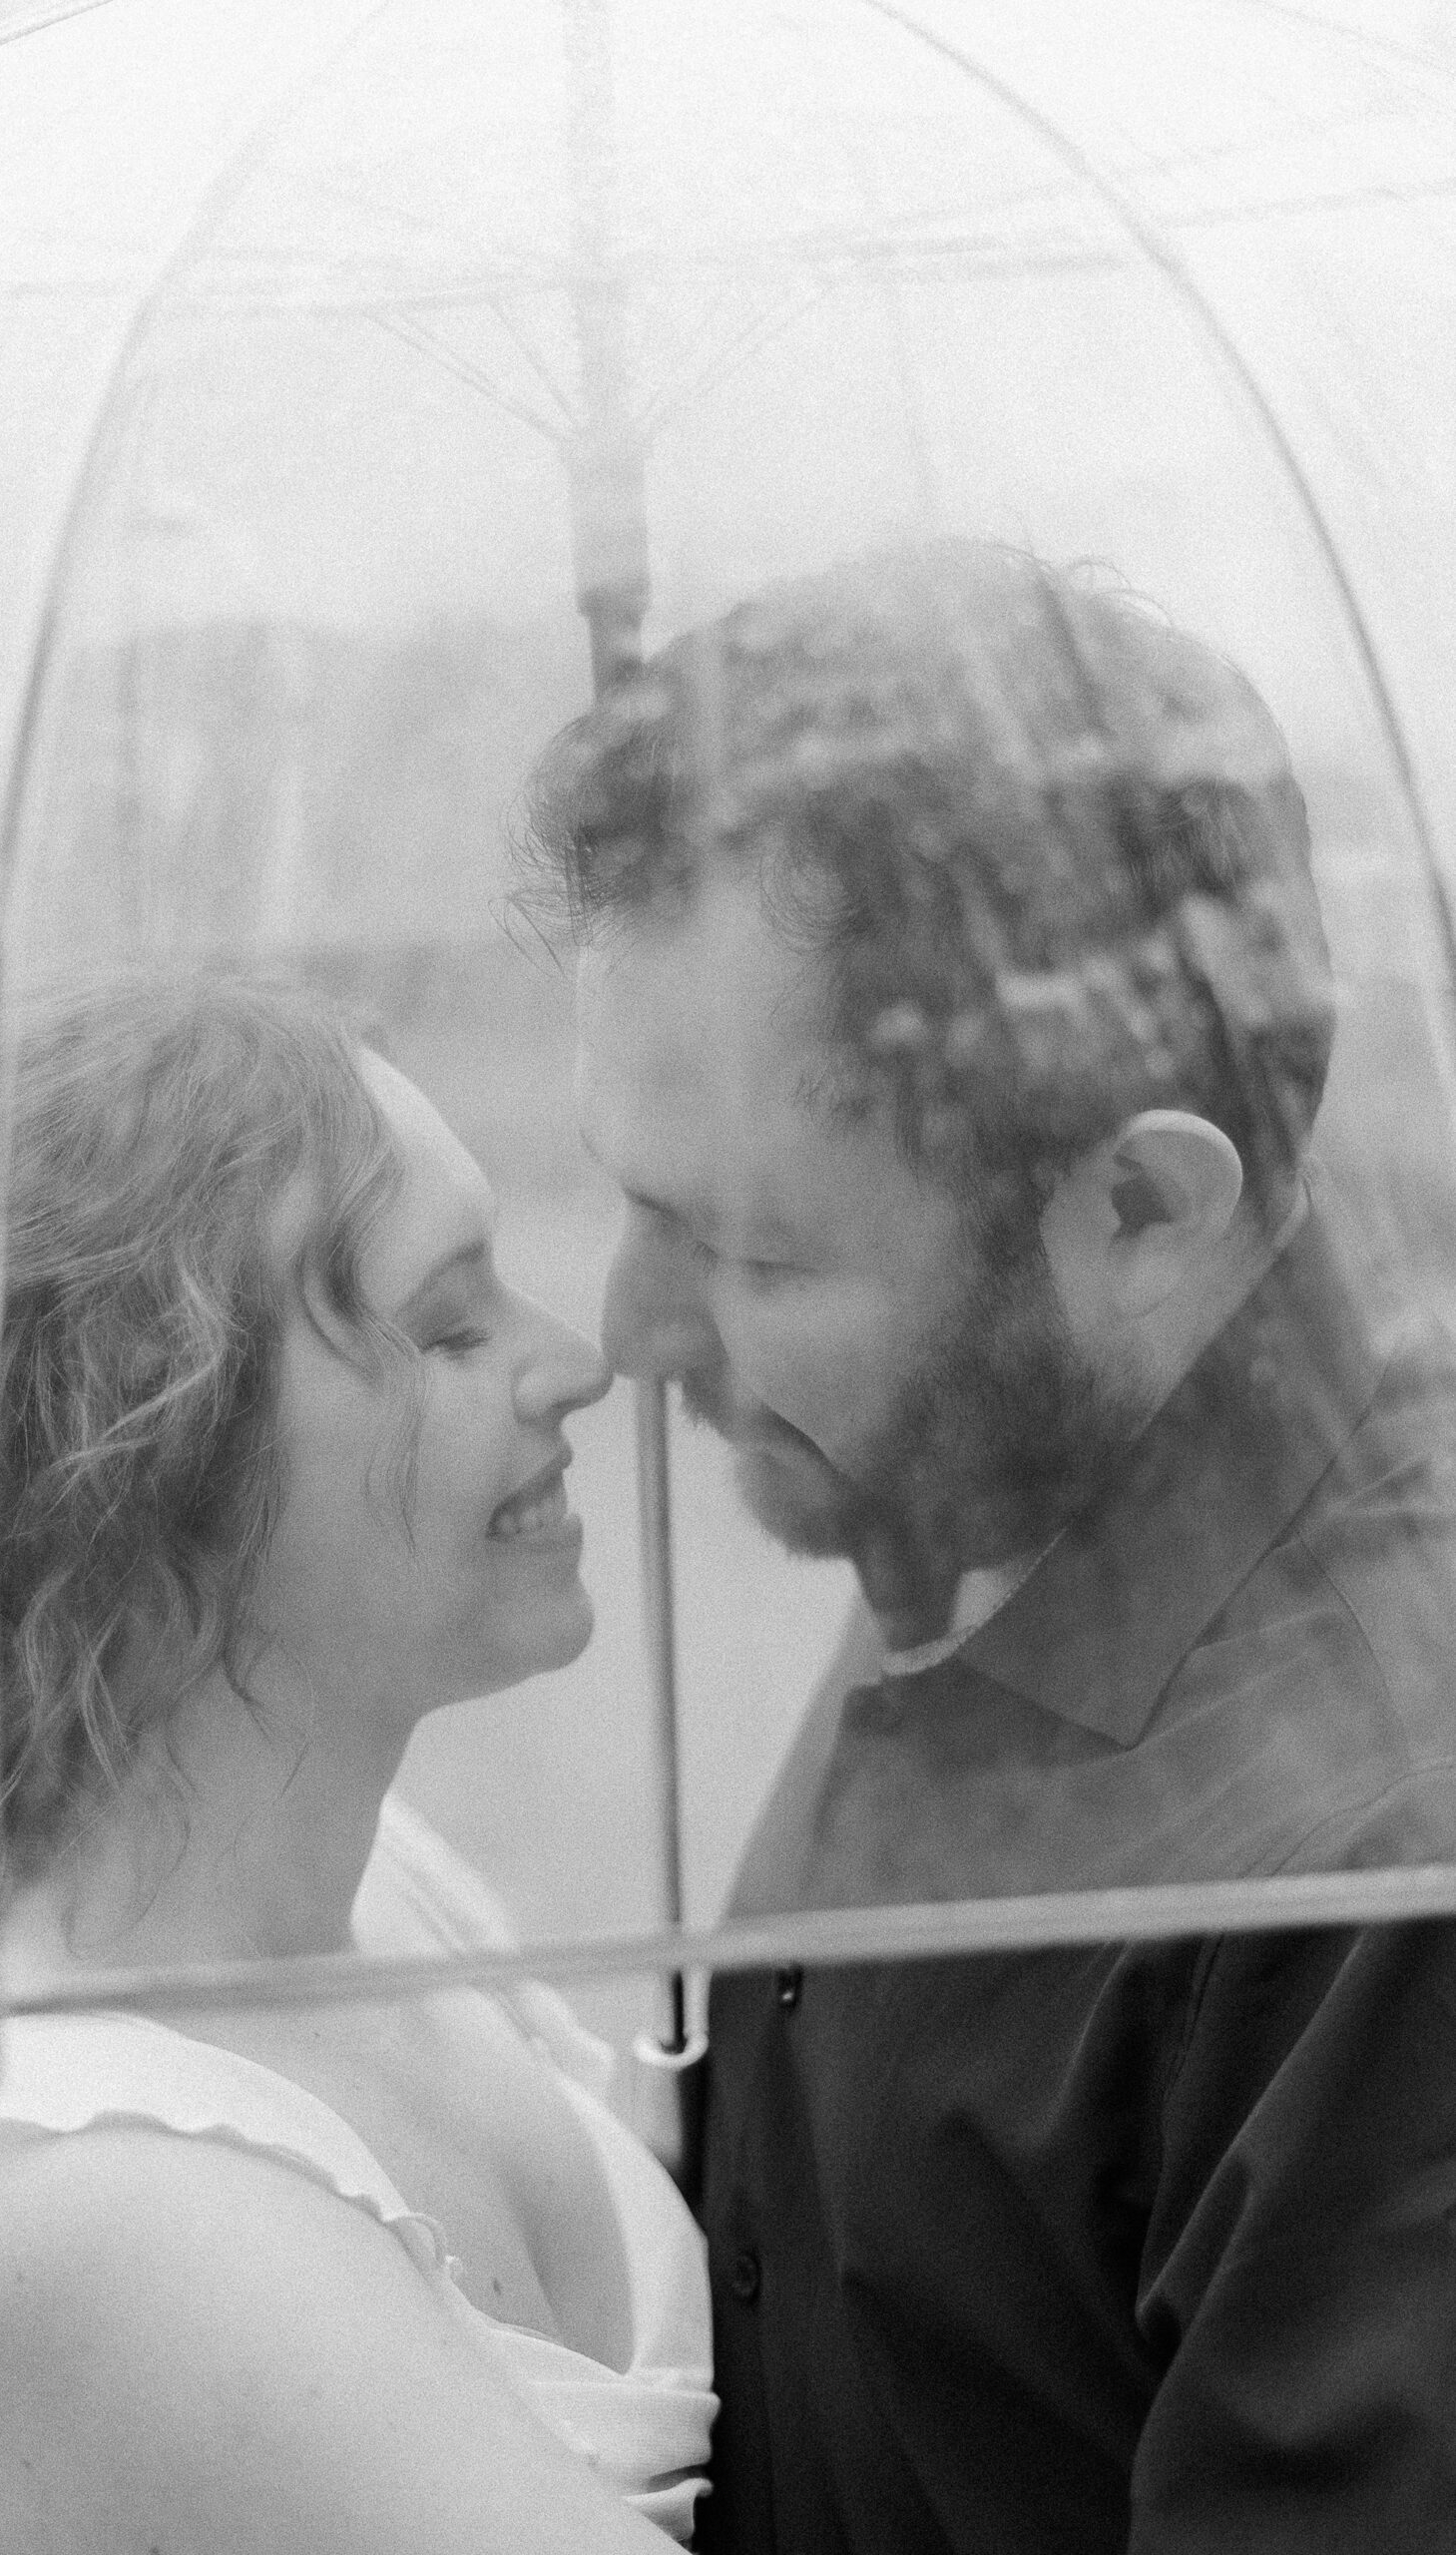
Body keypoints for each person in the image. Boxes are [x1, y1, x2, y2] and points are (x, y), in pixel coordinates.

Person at [526, 539, 1456, 2549]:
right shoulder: (977, 1467)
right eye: (632, 1202)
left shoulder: (1381, 1886)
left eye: (754, 1249)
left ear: (1140, 1211)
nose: (626, 1336)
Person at [0, 974, 716, 2555]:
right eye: (448, 1326)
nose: (572, 1363)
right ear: (156, 1469)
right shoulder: (87, 2193)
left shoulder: (383, 1880)